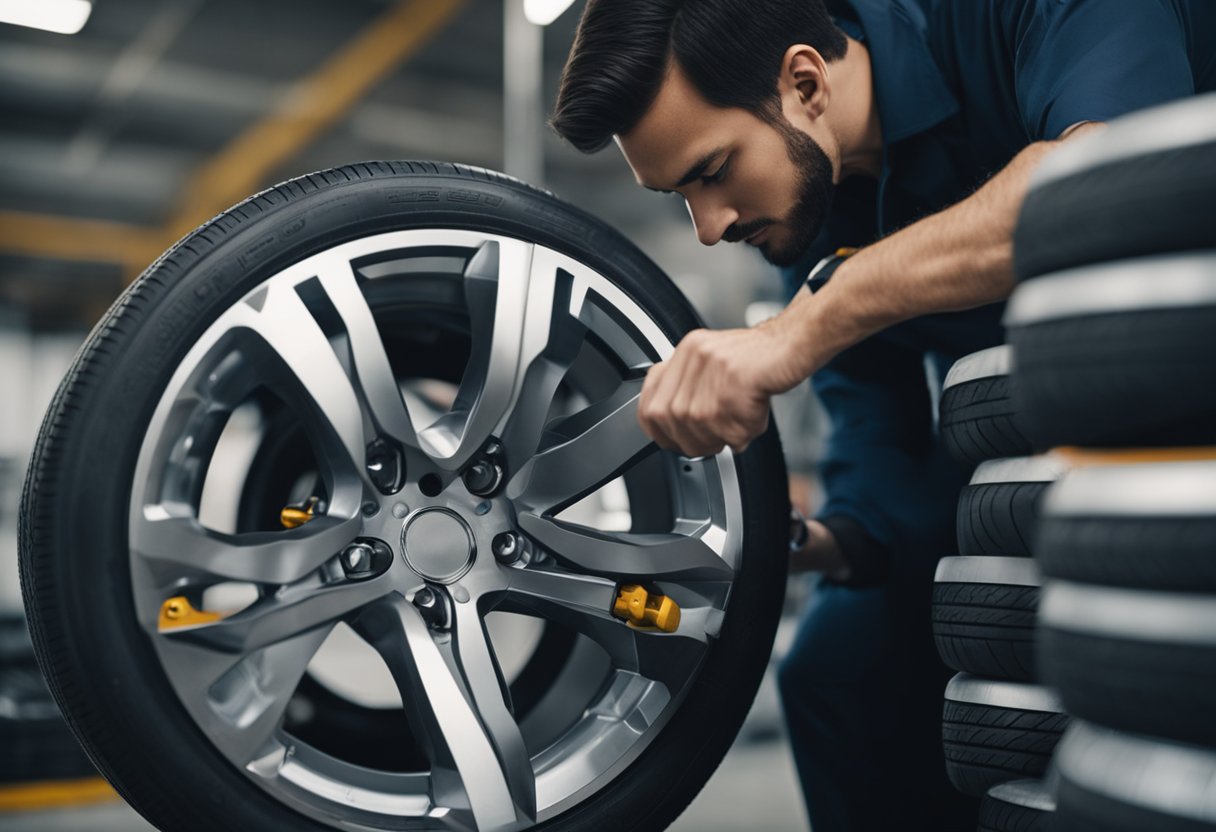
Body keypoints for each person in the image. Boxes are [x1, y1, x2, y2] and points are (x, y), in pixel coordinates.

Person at [549, 0, 1216, 829]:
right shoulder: (813, 204)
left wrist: (811, 321)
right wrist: (821, 541)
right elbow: (874, 427)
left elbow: (1108, 185)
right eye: (680, 196)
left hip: (1186, 414)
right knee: (836, 660)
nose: (710, 227)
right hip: (1032, 459)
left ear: (805, 81)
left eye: (712, 171)